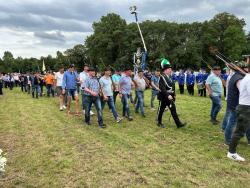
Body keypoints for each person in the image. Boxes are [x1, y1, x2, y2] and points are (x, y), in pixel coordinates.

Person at [227, 63, 250, 161]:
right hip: (246, 108)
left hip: (246, 107)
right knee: (239, 132)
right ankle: (231, 153)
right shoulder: (248, 79)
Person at [157, 60, 187, 128]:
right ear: (165, 70)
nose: (171, 70)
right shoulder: (162, 77)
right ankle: (159, 122)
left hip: (170, 97)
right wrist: (168, 95)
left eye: (171, 69)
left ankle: (178, 124)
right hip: (164, 97)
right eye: (169, 69)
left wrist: (174, 94)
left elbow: (172, 87)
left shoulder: (170, 77)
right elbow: (162, 88)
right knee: (161, 110)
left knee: (173, 110)